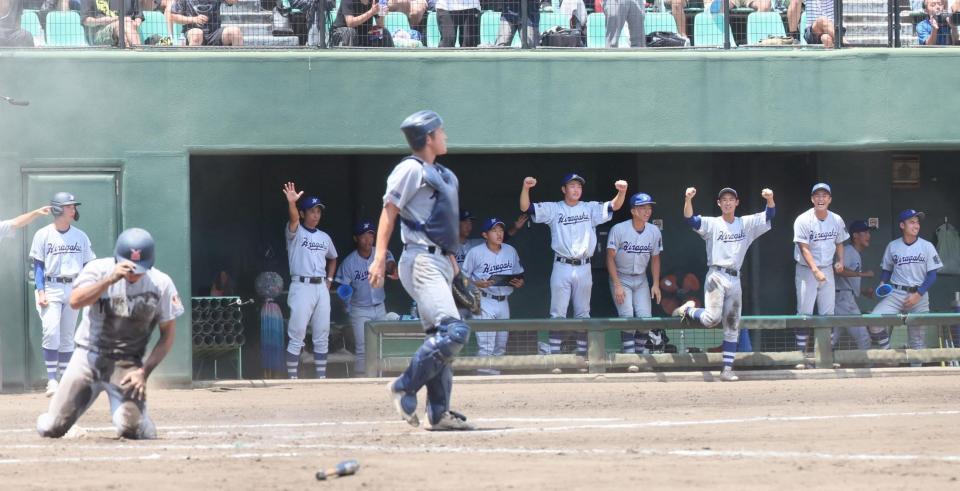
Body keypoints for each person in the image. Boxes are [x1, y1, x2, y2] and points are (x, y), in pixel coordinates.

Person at [372, 110, 474, 431]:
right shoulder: (409, 169)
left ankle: (438, 413)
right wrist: (379, 256)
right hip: (420, 260)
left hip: (441, 260)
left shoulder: (439, 172)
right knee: (454, 332)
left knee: (439, 338)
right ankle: (404, 385)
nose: (444, 136)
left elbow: (443, 228)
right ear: (427, 138)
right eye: (440, 132)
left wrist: (455, 267)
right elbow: (389, 212)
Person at [36, 228, 183, 439]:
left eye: (139, 269)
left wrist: (144, 372)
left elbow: (168, 335)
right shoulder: (98, 270)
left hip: (126, 364)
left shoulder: (161, 283)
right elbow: (75, 301)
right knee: (52, 428)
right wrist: (108, 281)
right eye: (129, 267)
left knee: (131, 429)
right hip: (87, 358)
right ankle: (56, 416)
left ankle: (143, 423)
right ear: (117, 259)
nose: (133, 273)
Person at [672, 186, 775, 382]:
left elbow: (770, 215)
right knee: (712, 319)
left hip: (735, 277)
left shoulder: (746, 223)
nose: (727, 202)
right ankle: (688, 311)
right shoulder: (712, 223)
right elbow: (690, 220)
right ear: (719, 204)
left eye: (731, 199)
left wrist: (770, 198)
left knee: (732, 324)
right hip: (717, 275)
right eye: (724, 199)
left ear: (737, 203)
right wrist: (688, 199)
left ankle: (727, 369)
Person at [519, 173, 627, 358]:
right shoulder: (554, 209)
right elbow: (526, 207)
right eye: (572, 186)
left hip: (584, 266)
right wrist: (526, 188)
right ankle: (555, 359)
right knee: (558, 313)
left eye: (579, 186)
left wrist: (622, 191)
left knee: (583, 314)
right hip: (562, 265)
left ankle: (583, 357)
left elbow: (614, 205)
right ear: (564, 189)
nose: (576, 189)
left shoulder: (589, 208)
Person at [30, 192, 96, 397]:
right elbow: (38, 266)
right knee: (51, 332)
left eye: (73, 206)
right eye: (69, 206)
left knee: (67, 337)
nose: (73, 209)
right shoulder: (43, 234)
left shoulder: (80, 236)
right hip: (51, 287)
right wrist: (40, 291)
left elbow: (88, 265)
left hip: (74, 287)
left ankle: (64, 380)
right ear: (58, 209)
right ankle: (52, 380)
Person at [281, 183, 338, 379]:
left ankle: (321, 377)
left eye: (318, 211)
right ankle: (292, 378)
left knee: (322, 333)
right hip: (301, 285)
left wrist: (329, 280)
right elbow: (293, 218)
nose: (316, 215)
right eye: (312, 211)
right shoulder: (296, 232)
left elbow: (333, 257)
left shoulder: (324, 237)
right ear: (303, 213)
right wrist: (292, 203)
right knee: (297, 334)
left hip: (320, 286)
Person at [868, 210, 942, 356]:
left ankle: (916, 374)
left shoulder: (927, 246)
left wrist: (919, 294)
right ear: (902, 225)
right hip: (896, 293)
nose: (916, 225)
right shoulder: (892, 246)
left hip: (919, 294)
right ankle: (889, 355)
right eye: (912, 222)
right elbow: (887, 269)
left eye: (918, 222)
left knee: (917, 341)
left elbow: (932, 275)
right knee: (874, 321)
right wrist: (883, 282)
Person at [792, 183, 847, 367]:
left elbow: (840, 242)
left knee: (828, 314)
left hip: (827, 268)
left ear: (830, 199)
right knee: (804, 314)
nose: (821, 199)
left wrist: (840, 260)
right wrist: (815, 270)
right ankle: (802, 357)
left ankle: (825, 358)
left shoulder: (837, 219)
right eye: (817, 196)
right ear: (812, 199)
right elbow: (803, 248)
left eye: (824, 196)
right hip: (807, 270)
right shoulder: (803, 219)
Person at [461, 217, 525, 375]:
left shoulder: (510, 250)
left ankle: (495, 381)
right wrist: (476, 283)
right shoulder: (475, 252)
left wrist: (519, 283)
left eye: (501, 230)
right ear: (485, 234)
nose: (499, 233)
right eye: (494, 230)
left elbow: (519, 275)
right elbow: (461, 278)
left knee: (500, 345)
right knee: (486, 345)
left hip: (504, 301)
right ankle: (482, 380)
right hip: (484, 300)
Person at [334, 220, 397, 376]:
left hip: (380, 307)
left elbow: (391, 266)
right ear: (356, 238)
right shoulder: (349, 262)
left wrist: (390, 268)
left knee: (381, 346)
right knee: (362, 348)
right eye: (364, 236)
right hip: (359, 309)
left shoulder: (381, 253)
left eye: (370, 235)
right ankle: (361, 382)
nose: (368, 240)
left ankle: (380, 379)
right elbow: (342, 287)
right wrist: (346, 301)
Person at [606, 192, 662, 357]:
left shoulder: (654, 231)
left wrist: (656, 284)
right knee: (627, 318)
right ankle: (630, 358)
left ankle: (639, 356)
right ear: (633, 211)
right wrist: (617, 285)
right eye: (642, 208)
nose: (647, 211)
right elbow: (609, 258)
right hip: (621, 277)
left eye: (649, 207)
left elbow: (656, 259)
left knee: (646, 321)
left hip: (641, 279)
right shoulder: (619, 229)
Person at [832, 220, 875, 351]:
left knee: (830, 337)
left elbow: (847, 281)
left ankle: (816, 363)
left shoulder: (854, 253)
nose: (869, 235)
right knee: (863, 337)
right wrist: (864, 274)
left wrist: (861, 291)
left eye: (869, 232)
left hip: (841, 297)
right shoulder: (848, 251)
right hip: (843, 299)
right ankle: (869, 368)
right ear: (855, 235)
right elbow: (838, 270)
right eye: (865, 232)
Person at [168, 0, 244, 46]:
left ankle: (237, 68)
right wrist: (194, 19)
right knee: (197, 34)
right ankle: (191, 69)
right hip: (193, 31)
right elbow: (173, 16)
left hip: (214, 33)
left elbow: (233, 1)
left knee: (235, 32)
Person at [329, 0, 394, 46]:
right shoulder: (348, 1)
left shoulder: (375, 1)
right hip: (341, 33)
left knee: (383, 32)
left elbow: (380, 25)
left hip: (364, 34)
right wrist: (371, 12)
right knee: (350, 32)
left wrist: (382, 13)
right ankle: (349, 63)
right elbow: (350, 23)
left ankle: (390, 63)